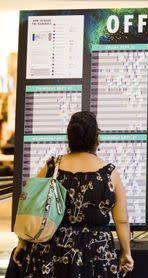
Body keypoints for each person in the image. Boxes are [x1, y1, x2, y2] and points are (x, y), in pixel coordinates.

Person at [11, 111, 134, 277]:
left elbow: (32, 208)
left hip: (51, 252)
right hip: (96, 253)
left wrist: (23, 242)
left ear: (70, 138)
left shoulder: (51, 167)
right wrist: (126, 254)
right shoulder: (108, 173)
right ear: (96, 139)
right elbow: (122, 219)